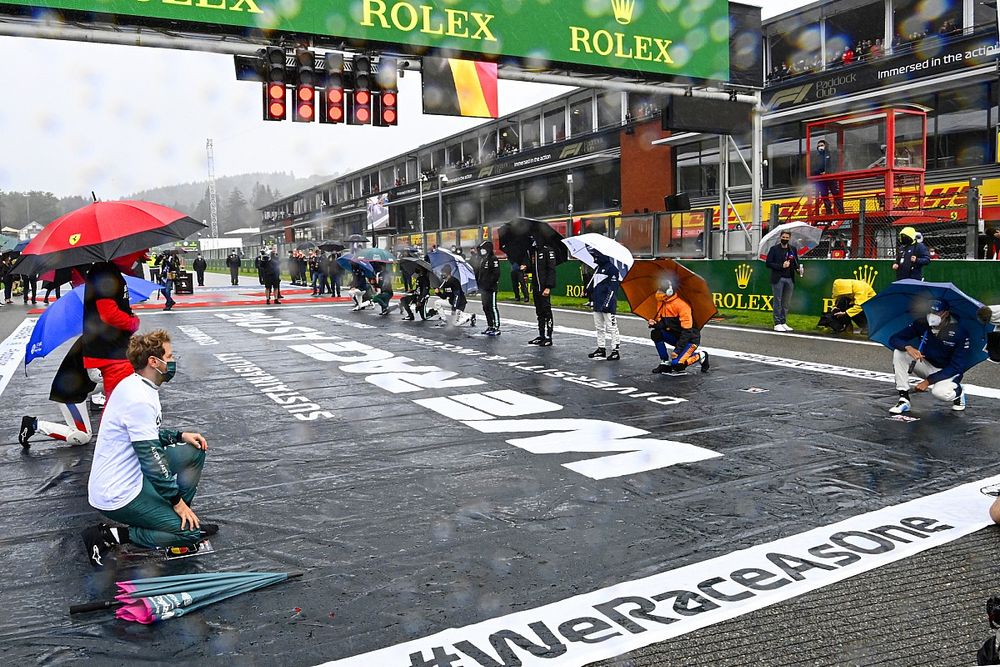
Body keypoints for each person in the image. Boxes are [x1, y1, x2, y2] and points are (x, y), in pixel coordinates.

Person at [82, 330, 216, 568]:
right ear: (154, 361)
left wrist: (179, 435)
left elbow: (145, 435)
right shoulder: (139, 398)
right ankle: (112, 535)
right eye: (170, 356)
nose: (173, 361)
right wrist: (177, 502)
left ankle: (178, 520)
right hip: (117, 493)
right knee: (189, 535)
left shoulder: (140, 385)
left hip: (131, 474)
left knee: (193, 451)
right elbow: (152, 460)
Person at [887, 299, 969, 414]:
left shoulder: (960, 332)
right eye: (929, 312)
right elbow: (894, 338)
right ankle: (904, 399)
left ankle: (958, 392)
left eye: (936, 312)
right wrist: (908, 347)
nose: (931, 316)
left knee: (941, 393)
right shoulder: (922, 324)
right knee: (899, 352)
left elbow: (957, 366)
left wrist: (928, 381)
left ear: (946, 314)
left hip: (947, 371)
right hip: (927, 364)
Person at [19, 338, 99, 449]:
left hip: (78, 388)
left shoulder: (98, 337)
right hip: (70, 394)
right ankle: (34, 425)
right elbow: (95, 375)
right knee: (82, 436)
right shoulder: (94, 343)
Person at [83, 258, 141, 400]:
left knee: (118, 400)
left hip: (111, 348)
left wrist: (128, 314)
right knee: (120, 401)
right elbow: (108, 314)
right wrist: (132, 322)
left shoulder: (107, 270)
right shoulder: (105, 273)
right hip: (110, 351)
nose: (135, 262)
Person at [647, 279, 709, 375]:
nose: (658, 292)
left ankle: (700, 355)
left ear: (669, 291)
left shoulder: (682, 305)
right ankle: (665, 362)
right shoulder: (662, 303)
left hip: (690, 339)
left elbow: (687, 331)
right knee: (656, 333)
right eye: (658, 289)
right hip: (676, 337)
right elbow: (664, 324)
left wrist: (677, 351)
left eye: (661, 290)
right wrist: (655, 324)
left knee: (677, 365)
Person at [587, 249, 622, 360]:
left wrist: (607, 303)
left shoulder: (612, 269)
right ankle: (601, 348)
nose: (594, 259)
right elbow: (594, 286)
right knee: (599, 328)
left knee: (612, 327)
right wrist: (589, 293)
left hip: (608, 304)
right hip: (597, 303)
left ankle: (615, 350)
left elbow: (613, 289)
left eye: (596, 256)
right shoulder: (597, 269)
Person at [764, 229, 801, 332]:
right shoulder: (774, 249)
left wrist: (798, 269)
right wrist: (781, 266)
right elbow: (768, 263)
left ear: (789, 238)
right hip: (778, 278)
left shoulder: (792, 249)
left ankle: (783, 321)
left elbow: (795, 263)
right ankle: (777, 323)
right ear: (780, 237)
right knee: (778, 301)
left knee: (786, 302)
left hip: (790, 278)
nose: (785, 239)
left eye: (787, 238)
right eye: (783, 237)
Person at [524, 239, 557, 346]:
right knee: (539, 312)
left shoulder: (548, 250)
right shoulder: (533, 252)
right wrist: (526, 268)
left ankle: (549, 336)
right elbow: (534, 268)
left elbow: (551, 270)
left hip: (544, 287)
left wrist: (548, 287)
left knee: (547, 311)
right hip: (536, 286)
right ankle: (541, 335)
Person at [811, 139, 845, 216]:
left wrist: (827, 172)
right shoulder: (816, 157)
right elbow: (814, 168)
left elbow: (834, 165)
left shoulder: (831, 154)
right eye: (819, 146)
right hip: (821, 180)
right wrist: (819, 173)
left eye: (822, 145)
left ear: (826, 146)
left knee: (835, 194)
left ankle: (841, 211)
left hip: (831, 178)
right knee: (824, 195)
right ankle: (828, 211)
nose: (820, 147)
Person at [475, 240, 501, 336]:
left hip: (491, 288)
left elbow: (496, 274)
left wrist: (489, 284)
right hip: (483, 289)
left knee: (492, 307)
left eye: (483, 249)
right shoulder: (483, 260)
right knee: (485, 307)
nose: (482, 251)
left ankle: (496, 327)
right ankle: (490, 325)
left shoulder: (493, 259)